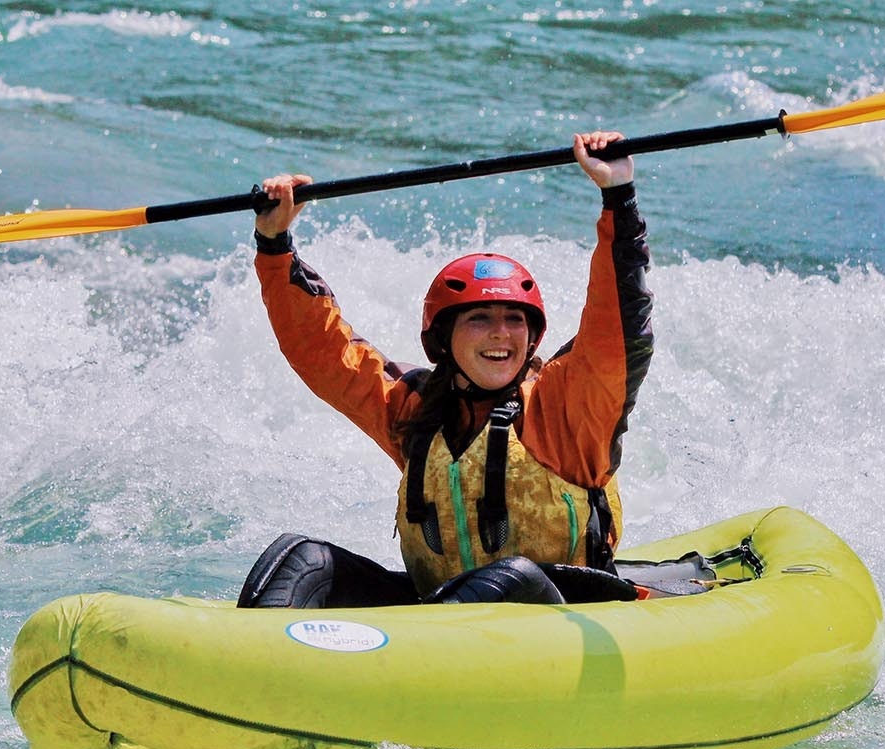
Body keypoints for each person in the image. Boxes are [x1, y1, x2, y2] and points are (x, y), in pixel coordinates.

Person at [239, 131, 654, 608]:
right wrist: (274, 244)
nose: (502, 334)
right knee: (302, 561)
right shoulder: (415, 411)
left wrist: (618, 195)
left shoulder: (566, 408)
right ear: (443, 340)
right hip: (440, 614)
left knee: (508, 578)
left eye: (514, 320)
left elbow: (616, 329)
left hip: (560, 612)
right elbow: (323, 350)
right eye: (480, 319)